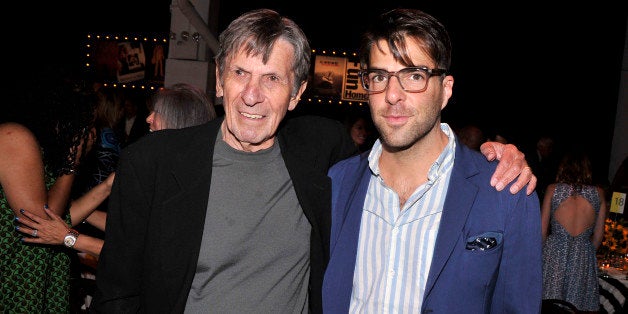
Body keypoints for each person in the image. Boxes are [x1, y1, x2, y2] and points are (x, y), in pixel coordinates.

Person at [91, 9, 535, 313]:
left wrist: (497, 155)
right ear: (219, 80)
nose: (252, 94)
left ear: (298, 93)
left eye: (272, 78)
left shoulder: (324, 155)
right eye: (241, 73)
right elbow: (115, 295)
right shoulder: (151, 162)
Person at [322, 8, 542, 313]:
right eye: (379, 76)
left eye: (414, 75)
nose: (393, 95)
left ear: (445, 90)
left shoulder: (506, 191)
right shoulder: (336, 185)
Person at [15, 83, 218, 258]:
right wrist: (77, 212)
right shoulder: (165, 170)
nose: (148, 118)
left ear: (178, 122)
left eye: (158, 113)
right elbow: (135, 229)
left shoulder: (184, 182)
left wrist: (69, 238)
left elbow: (146, 254)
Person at [0, 67, 94, 313]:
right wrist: (72, 163)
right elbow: (39, 221)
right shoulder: (14, 136)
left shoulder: (37, 144)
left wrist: (108, 186)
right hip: (15, 280)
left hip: (35, 274)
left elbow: (62, 217)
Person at [541, 149, 607, 312]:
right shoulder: (599, 194)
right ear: (587, 169)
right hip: (583, 254)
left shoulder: (552, 189)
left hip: (554, 253)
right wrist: (582, 250)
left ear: (563, 167)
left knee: (549, 306)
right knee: (577, 308)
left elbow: (541, 232)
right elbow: (598, 237)